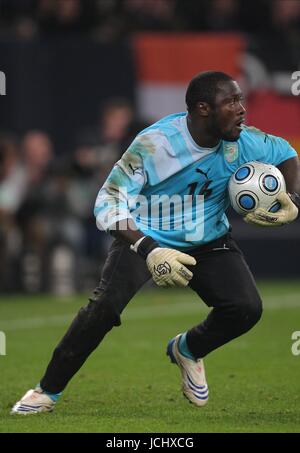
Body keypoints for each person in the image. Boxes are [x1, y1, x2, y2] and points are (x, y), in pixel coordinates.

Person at [11, 71, 300, 414]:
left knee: (246, 309)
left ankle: (188, 349)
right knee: (103, 310)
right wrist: (149, 249)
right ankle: (47, 391)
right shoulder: (155, 144)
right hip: (146, 235)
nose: (241, 110)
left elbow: (285, 153)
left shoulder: (243, 141)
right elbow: (107, 202)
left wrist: (292, 197)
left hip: (207, 238)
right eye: (231, 102)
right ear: (203, 109)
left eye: (241, 100)